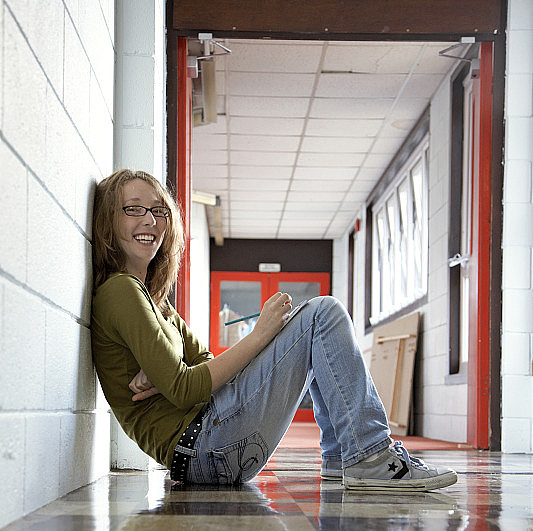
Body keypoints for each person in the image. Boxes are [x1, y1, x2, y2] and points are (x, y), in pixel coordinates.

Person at [91, 169, 457, 492]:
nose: (151, 220)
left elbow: (201, 362)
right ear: (109, 221)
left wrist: (164, 375)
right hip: (204, 445)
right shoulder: (120, 290)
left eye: (159, 210)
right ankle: (370, 455)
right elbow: (187, 389)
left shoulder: (157, 302)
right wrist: (259, 334)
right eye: (133, 209)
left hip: (211, 442)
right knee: (321, 315)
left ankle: (342, 456)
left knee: (317, 321)